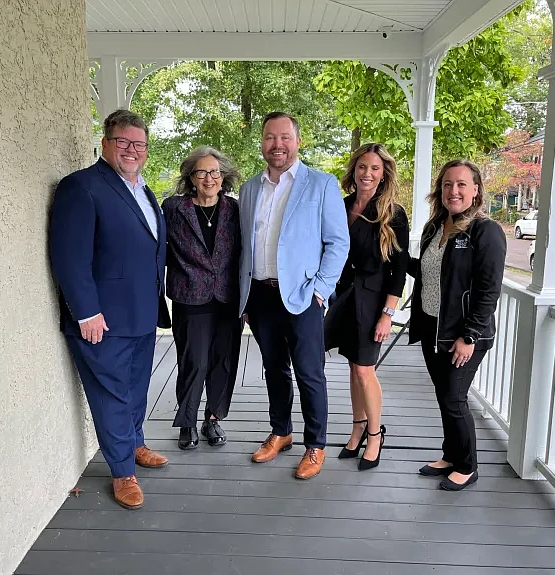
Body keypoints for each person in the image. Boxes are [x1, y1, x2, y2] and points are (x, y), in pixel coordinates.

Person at [49, 109, 171, 510]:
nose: (131, 150)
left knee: (136, 389)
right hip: (102, 320)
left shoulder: (145, 191)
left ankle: (134, 444)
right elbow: (69, 257)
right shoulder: (81, 187)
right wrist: (86, 312)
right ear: (105, 144)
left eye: (139, 144)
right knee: (112, 396)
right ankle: (122, 473)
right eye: (123, 142)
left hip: (141, 314)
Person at [238, 111, 349, 480]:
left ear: (298, 141)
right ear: (262, 144)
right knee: (274, 369)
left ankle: (315, 445)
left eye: (285, 137)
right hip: (261, 296)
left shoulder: (321, 184)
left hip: (304, 296)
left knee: (309, 373)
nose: (277, 145)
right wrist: (245, 298)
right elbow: (245, 245)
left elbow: (337, 243)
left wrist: (320, 290)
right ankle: (281, 431)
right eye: (270, 137)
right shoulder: (250, 188)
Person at [407, 159, 506, 491]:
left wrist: (470, 336)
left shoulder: (485, 231)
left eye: (462, 184)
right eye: (448, 184)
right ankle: (451, 455)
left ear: (476, 190)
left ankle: (468, 465)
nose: (454, 191)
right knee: (444, 395)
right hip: (433, 328)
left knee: (453, 397)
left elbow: (488, 289)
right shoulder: (436, 226)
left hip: (463, 334)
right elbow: (428, 272)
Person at [324, 143, 409, 471]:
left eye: (375, 168)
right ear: (354, 171)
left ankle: (375, 434)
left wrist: (388, 314)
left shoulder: (393, 213)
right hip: (344, 295)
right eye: (362, 167)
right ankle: (357, 427)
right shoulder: (342, 205)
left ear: (384, 172)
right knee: (352, 365)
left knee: (365, 369)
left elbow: (399, 270)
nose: (367, 174)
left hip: (374, 298)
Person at [162, 147, 243, 450]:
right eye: (201, 172)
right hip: (189, 297)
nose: (209, 178)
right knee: (193, 361)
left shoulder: (235, 211)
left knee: (223, 361)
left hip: (227, 298)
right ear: (191, 178)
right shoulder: (173, 208)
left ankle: (213, 418)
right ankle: (187, 422)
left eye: (214, 172)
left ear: (224, 177)